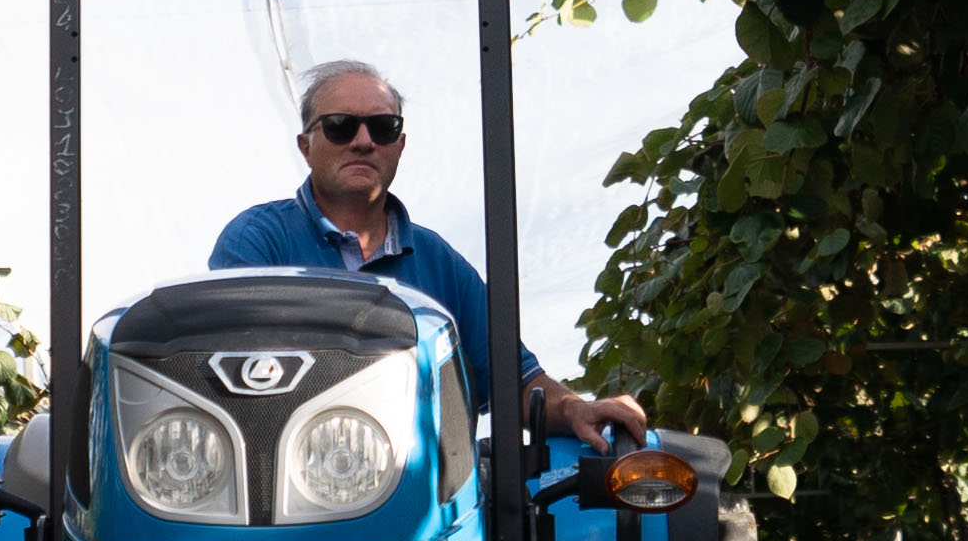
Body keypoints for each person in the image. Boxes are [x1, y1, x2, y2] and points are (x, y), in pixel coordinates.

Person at [207, 58, 649, 441]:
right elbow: (234, 378)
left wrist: (575, 408)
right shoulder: (256, 242)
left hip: (428, 512)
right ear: (306, 146)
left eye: (383, 128)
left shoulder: (440, 261)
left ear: (400, 146)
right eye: (341, 127)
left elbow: (516, 380)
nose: (364, 141)